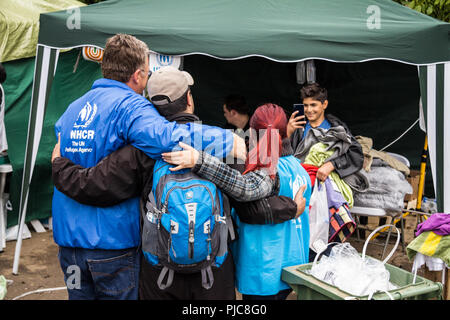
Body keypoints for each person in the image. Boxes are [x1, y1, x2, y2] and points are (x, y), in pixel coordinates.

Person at [52, 67, 305, 300]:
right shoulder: (223, 143)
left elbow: (95, 185)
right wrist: (292, 207)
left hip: (159, 271)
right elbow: (252, 207)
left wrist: (60, 166)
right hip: (213, 271)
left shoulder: (140, 150)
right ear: (190, 100)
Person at [52, 34, 244, 300]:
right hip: (111, 244)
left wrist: (57, 165)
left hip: (69, 244)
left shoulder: (73, 108)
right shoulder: (132, 107)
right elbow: (166, 138)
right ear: (138, 75)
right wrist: (227, 139)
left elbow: (62, 145)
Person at [163, 103, 312, 300]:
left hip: (262, 270)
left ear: (252, 131)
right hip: (292, 265)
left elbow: (247, 198)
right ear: (285, 130)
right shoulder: (298, 168)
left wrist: (199, 161)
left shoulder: (266, 170)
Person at [287, 82, 363, 182]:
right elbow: (286, 158)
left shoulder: (335, 126)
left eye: (313, 105)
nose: (309, 110)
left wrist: (332, 164)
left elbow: (356, 154)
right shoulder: (298, 128)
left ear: (324, 104)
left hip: (328, 179)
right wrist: (288, 133)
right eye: (305, 105)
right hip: (301, 178)